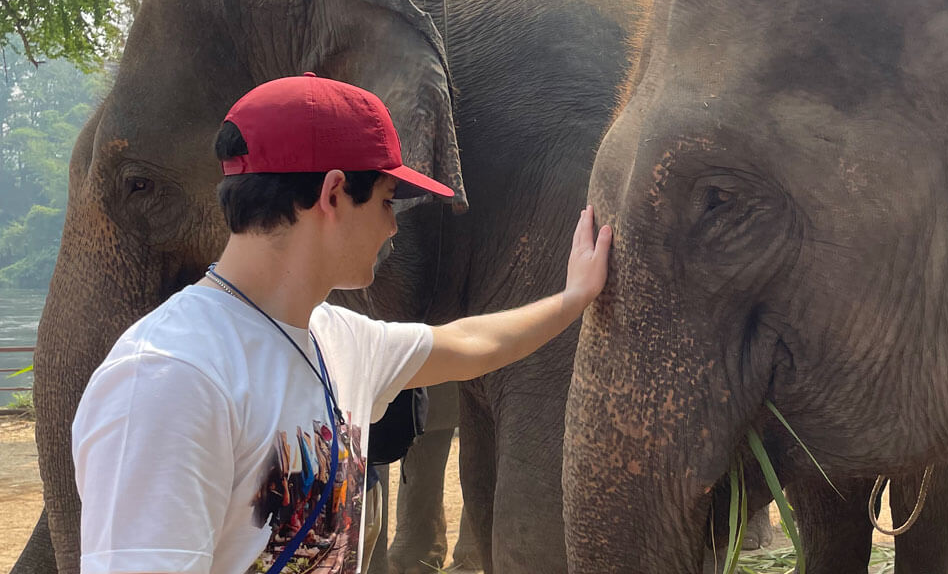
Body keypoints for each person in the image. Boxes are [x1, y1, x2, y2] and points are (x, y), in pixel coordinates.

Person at [71, 73, 612, 574]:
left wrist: (574, 297)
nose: (392, 228)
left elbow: (473, 343)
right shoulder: (169, 379)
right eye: (385, 202)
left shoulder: (335, 337)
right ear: (332, 195)